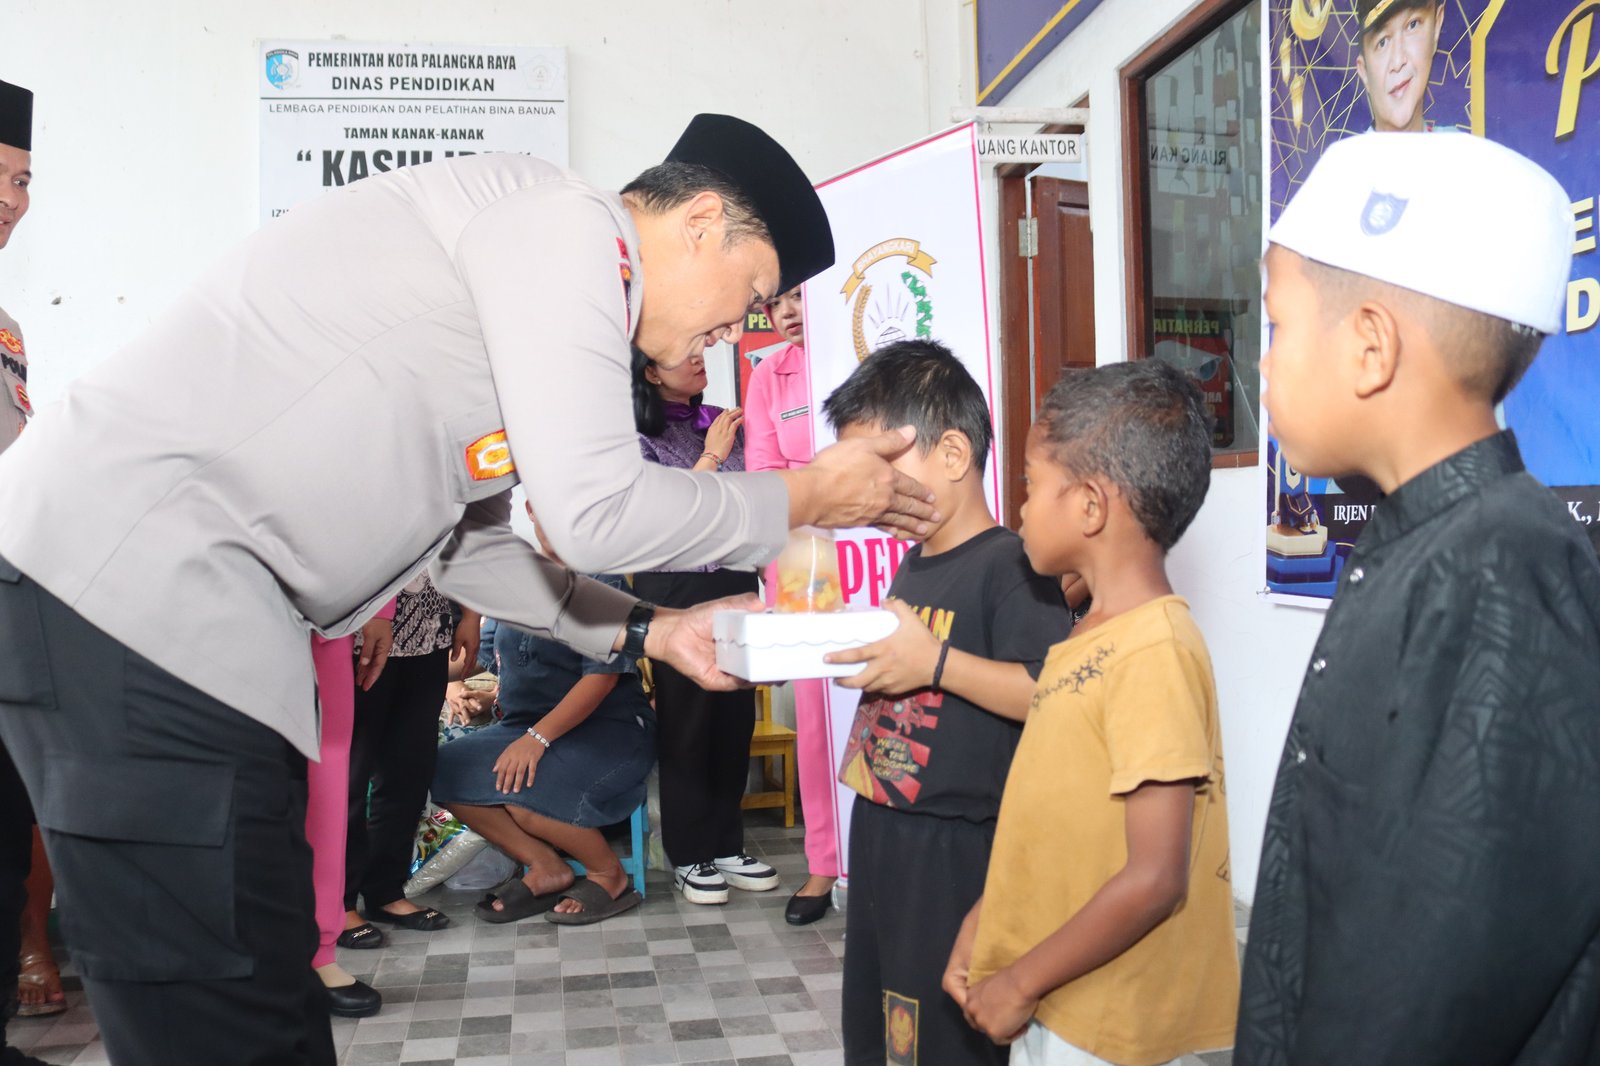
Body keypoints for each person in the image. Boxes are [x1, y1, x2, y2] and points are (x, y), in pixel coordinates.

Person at [0, 112, 940, 1064]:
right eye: (752, 293)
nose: (736, 327)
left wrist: (653, 632)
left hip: (176, 622)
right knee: (220, 1009)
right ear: (701, 223)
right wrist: (808, 494)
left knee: (261, 986)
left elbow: (467, 550)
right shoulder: (565, 225)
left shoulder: (533, 280)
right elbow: (596, 511)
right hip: (130, 598)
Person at [1236, 133, 1600, 1064]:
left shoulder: (1506, 570)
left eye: (1277, 326)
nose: (1262, 368)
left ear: (1371, 346)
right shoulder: (1424, 543)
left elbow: (1438, 976)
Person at [946, 361, 1237, 1066]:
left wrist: (1020, 980)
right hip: (1061, 998)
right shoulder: (1090, 636)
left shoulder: (1153, 650)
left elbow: (1156, 876)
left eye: (1030, 484)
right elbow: (1056, 825)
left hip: (1113, 1025)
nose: (1019, 508)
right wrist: (989, 923)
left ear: (1089, 507)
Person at [821, 340, 1074, 1065]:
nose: (866, 491)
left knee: (936, 1039)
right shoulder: (914, 563)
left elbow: (1051, 693)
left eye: (880, 466)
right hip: (883, 830)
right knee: (876, 1027)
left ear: (954, 453)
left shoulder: (1012, 567)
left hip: (956, 851)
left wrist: (934, 662)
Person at [434, 521, 655, 926]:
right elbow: (477, 657)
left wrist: (537, 738)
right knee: (442, 768)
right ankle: (546, 866)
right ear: (532, 511)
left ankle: (608, 873)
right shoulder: (513, 585)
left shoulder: (603, 582)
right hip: (524, 727)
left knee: (524, 787)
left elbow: (601, 678)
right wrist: (428, 676)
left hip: (609, 729)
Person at [632, 343, 781, 905]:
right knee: (688, 723)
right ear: (650, 372)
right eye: (684, 355)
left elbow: (757, 498)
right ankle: (689, 853)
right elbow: (666, 521)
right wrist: (713, 456)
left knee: (734, 718)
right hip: (677, 589)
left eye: (701, 353)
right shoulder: (636, 438)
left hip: (736, 580)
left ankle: (726, 844)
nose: (700, 361)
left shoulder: (725, 420)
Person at [743, 284, 839, 925]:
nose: (788, 312)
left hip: (881, 543)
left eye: (798, 296)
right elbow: (765, 476)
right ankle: (825, 863)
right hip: (810, 559)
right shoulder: (768, 374)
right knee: (818, 716)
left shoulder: (866, 355)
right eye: (776, 303)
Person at [340, 575, 477, 948]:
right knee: (349, 777)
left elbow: (464, 543)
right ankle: (340, 903)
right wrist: (373, 609)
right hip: (358, 634)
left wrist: (470, 614)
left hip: (430, 633)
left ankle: (385, 892)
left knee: (409, 771)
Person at [0, 76, 50, 1066]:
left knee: (6, 835)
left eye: (26, 179)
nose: (18, 200)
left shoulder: (6, 328)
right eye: (6, 177)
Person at [1355, 0, 1445, 133]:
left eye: (1412, 25)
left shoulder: (1464, 145)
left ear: (1436, 27)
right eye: (1382, 42)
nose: (1398, 62)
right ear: (1364, 71)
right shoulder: (1347, 148)